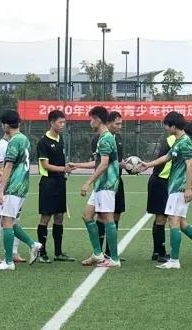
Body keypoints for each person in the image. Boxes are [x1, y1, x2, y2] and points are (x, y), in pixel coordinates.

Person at [138, 116, 192, 270]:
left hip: (180, 188)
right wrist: (147, 165)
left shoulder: (185, 142)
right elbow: (167, 157)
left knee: (173, 220)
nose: (165, 128)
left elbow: (189, 165)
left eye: (166, 125)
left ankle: (174, 260)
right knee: (181, 223)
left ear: (173, 126)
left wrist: (188, 188)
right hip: (174, 187)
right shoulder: (178, 141)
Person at [0, 110, 43, 270]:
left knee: (6, 222)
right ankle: (33, 244)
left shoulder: (14, 141)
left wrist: (1, 191)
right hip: (22, 185)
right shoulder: (24, 139)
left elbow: (8, 167)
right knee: (8, 221)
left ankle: (8, 261)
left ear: (6, 125)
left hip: (13, 186)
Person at [74, 105, 121, 269]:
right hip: (100, 184)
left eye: (91, 119)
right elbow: (97, 162)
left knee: (108, 218)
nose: (90, 122)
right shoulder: (103, 138)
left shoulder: (106, 138)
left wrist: (88, 182)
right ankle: (97, 253)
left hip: (106, 183)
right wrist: (77, 165)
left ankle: (114, 258)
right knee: (87, 215)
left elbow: (104, 164)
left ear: (98, 119)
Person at [35, 109, 72, 263]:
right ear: (52, 123)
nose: (62, 125)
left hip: (60, 183)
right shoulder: (43, 142)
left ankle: (58, 252)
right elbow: (45, 165)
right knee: (45, 217)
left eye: (64, 122)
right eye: (60, 122)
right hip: (48, 183)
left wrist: (65, 169)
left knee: (59, 216)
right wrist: (63, 169)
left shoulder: (60, 139)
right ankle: (42, 253)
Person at [146, 111, 180, 263]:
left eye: (166, 125)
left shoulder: (173, 140)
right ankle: (160, 253)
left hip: (161, 181)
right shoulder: (174, 141)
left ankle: (157, 251)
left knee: (160, 217)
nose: (165, 128)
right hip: (160, 181)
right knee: (161, 218)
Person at [105, 111, 126, 259]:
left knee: (117, 213)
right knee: (104, 216)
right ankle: (98, 252)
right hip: (105, 182)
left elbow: (117, 161)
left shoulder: (118, 137)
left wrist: (127, 165)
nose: (120, 126)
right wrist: (118, 164)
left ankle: (110, 251)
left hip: (118, 180)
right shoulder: (101, 138)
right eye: (117, 123)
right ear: (108, 123)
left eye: (121, 123)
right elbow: (100, 162)